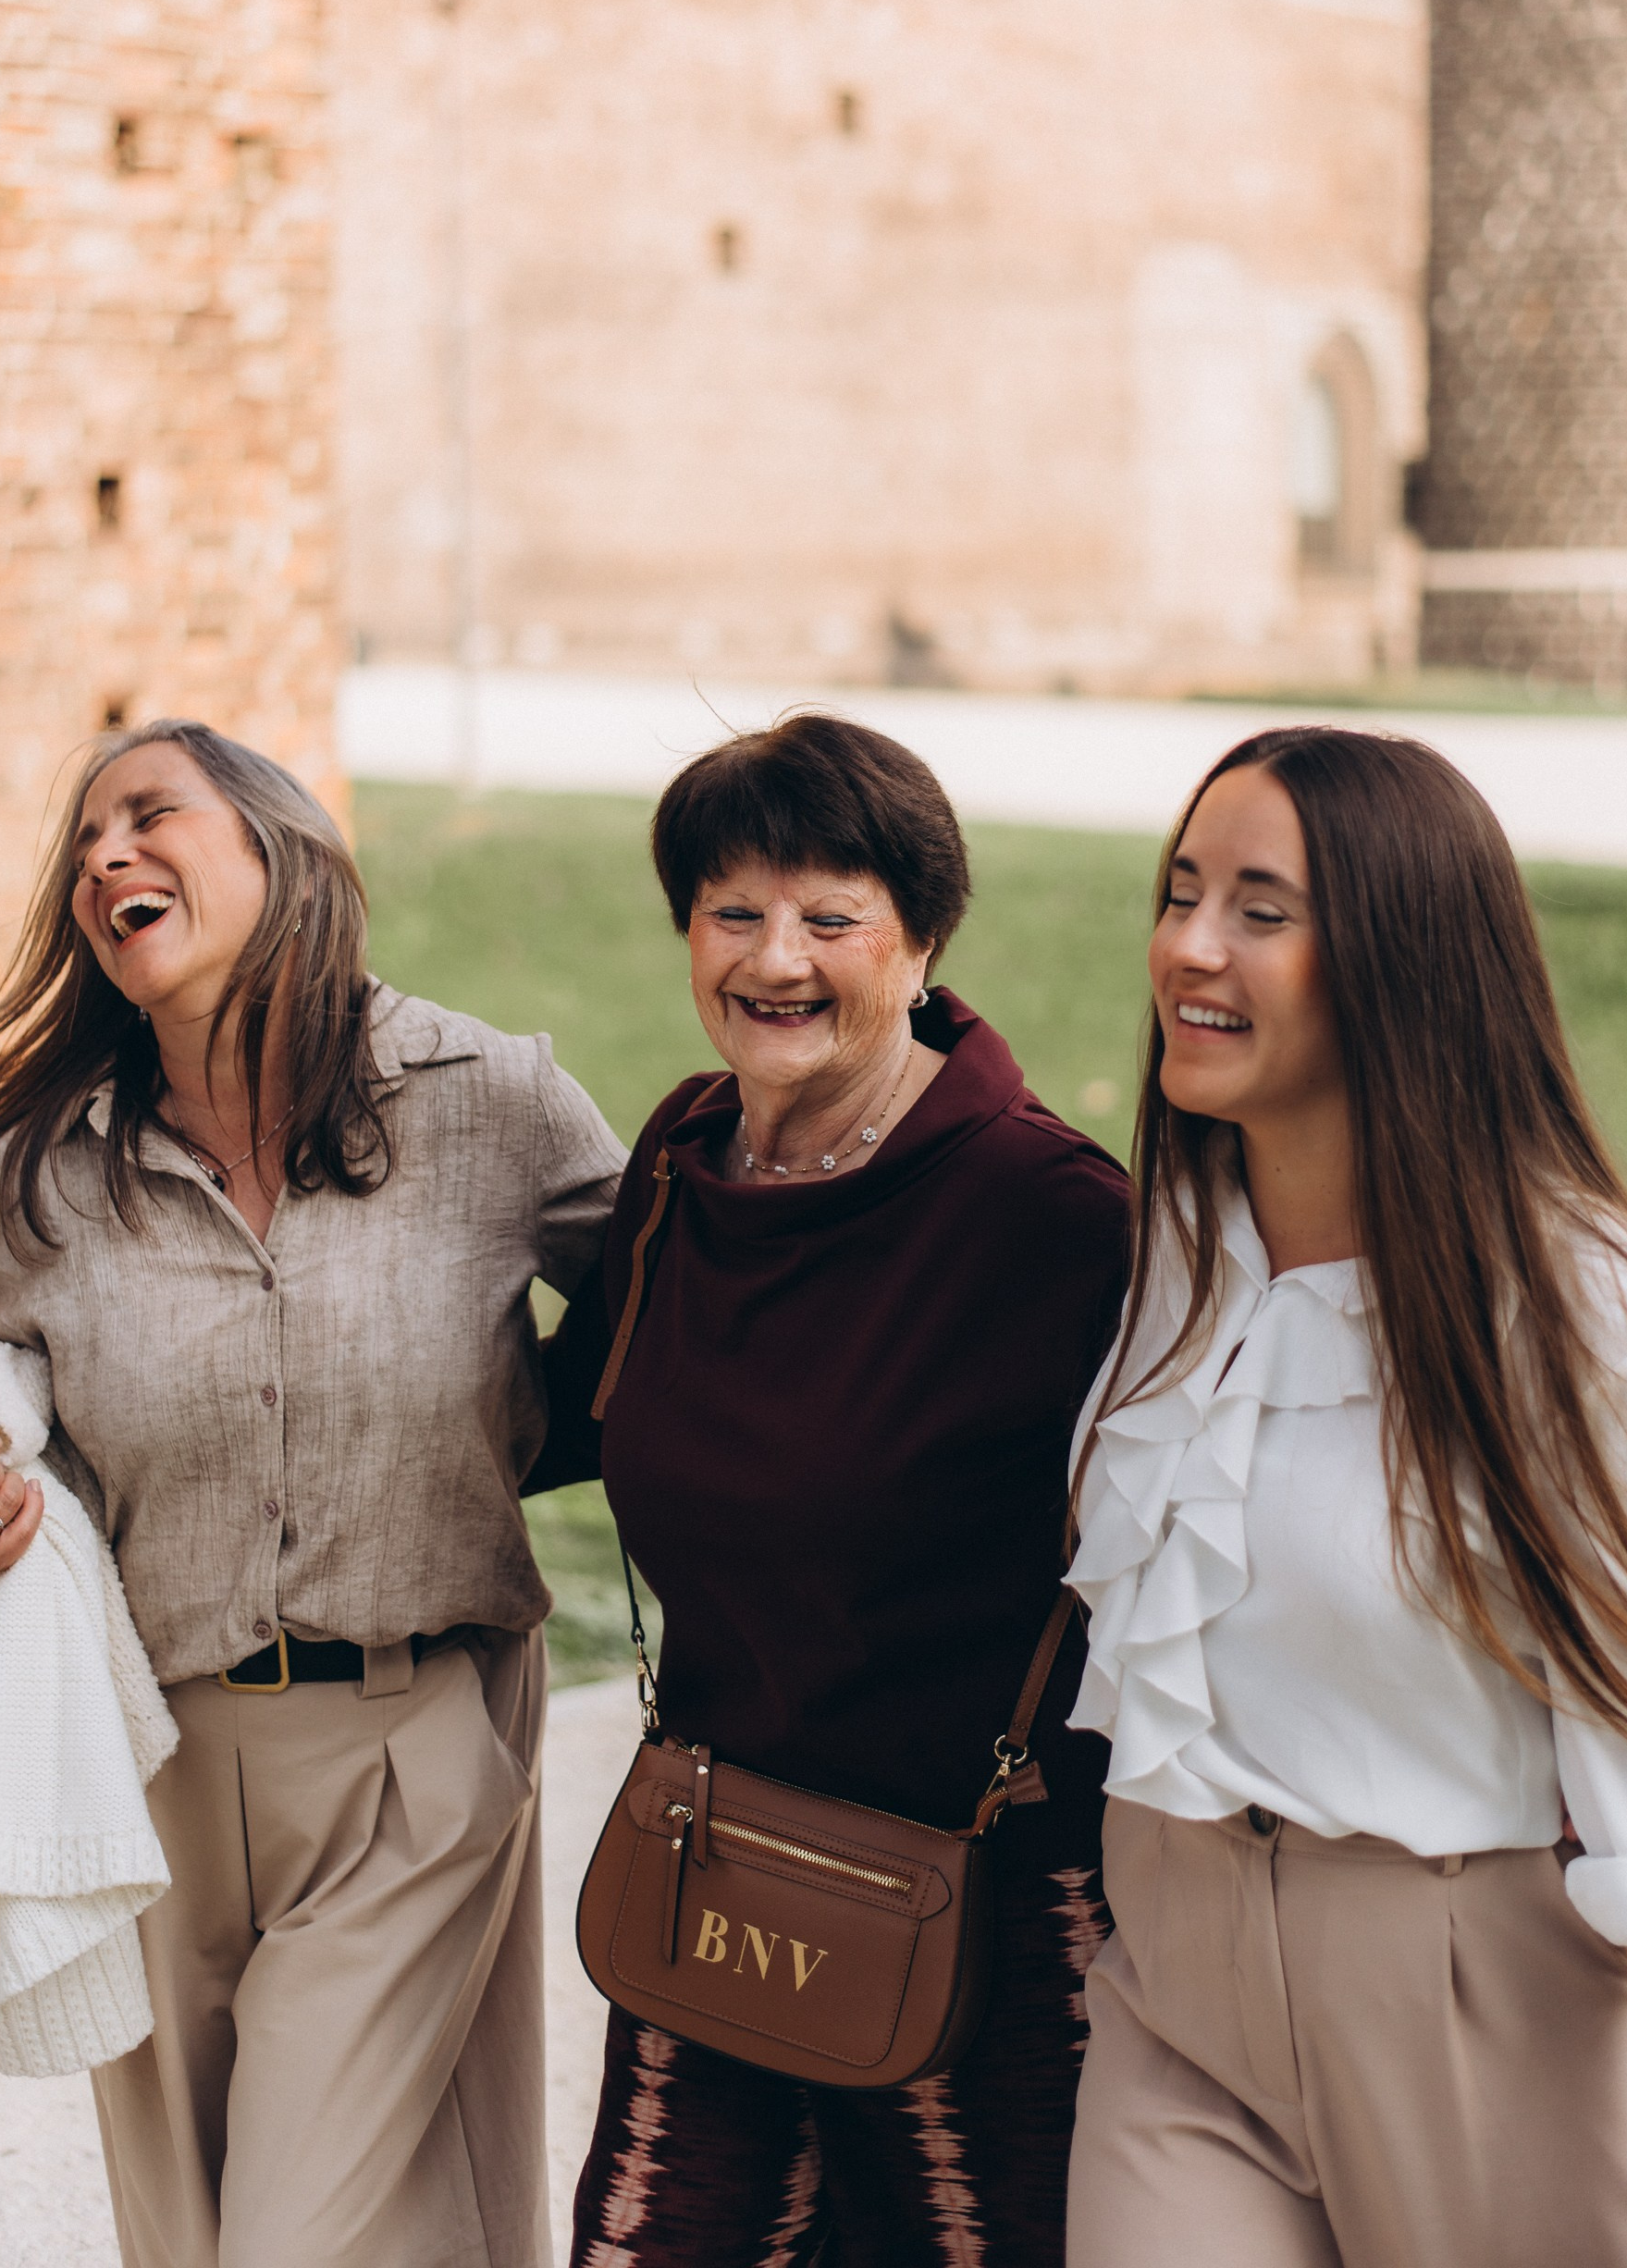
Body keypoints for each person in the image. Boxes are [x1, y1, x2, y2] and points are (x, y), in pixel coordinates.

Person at [0, 719, 623, 2268]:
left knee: (299, 2240)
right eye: (85, 845)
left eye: (150, 817)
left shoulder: (491, 1103)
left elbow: (673, 1335)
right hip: (138, 1755)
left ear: (278, 848)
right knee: (196, 2235)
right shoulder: (32, 1183)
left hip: (407, 1747)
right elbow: (47, 1470)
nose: (104, 861)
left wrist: (504, 1438)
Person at [1063, 724, 1627, 2268]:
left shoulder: (1583, 1316)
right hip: (1175, 1988)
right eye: (1181, 890)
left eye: (1263, 911)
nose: (1190, 947)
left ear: (1406, 958)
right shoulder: (1171, 1256)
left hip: (1477, 2007)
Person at [532, 710, 1130, 2268]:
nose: (773, 957)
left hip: (976, 1895)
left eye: (830, 915)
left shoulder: (1048, 1214)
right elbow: (563, 1409)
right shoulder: (683, 1158)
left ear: (921, 939)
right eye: (732, 910)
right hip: (722, 1857)